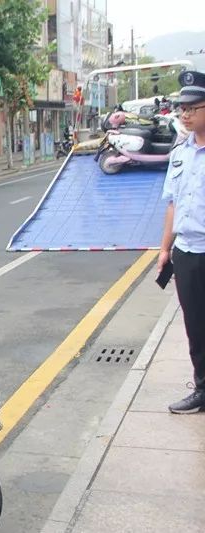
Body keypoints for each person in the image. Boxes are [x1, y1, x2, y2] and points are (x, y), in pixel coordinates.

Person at [158, 71, 205, 414]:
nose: (185, 114)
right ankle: (202, 389)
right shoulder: (180, 154)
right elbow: (173, 203)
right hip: (187, 251)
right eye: (181, 108)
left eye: (192, 107)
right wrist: (164, 250)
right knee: (195, 326)